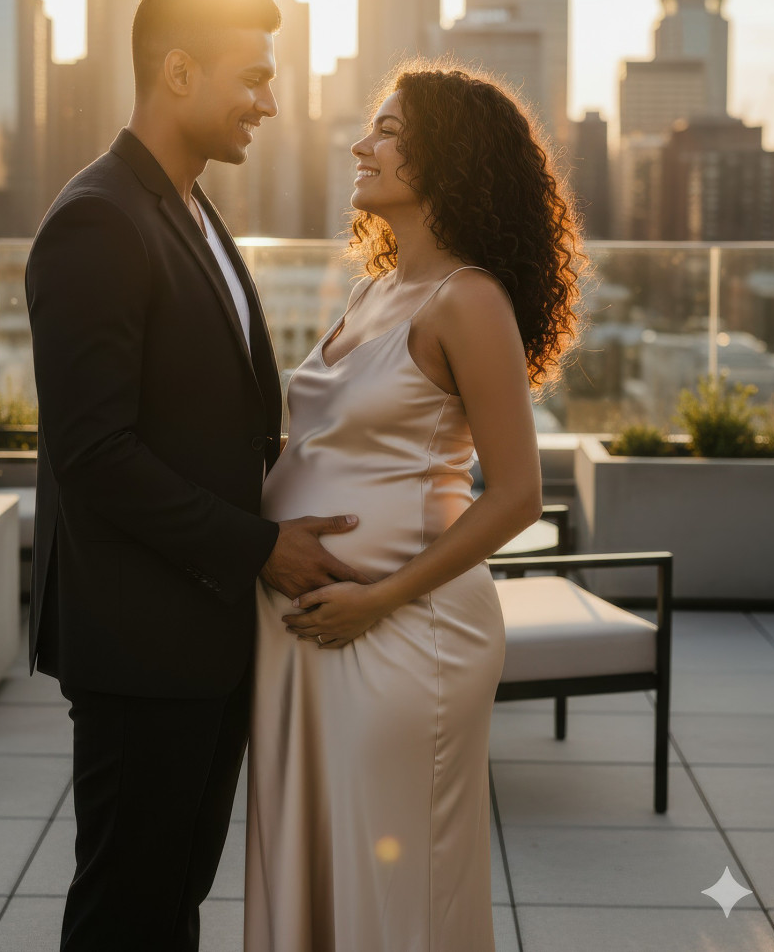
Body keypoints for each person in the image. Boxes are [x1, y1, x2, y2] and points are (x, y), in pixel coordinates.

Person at [24, 0, 365, 952]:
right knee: (126, 910)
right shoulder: (99, 219)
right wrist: (260, 548)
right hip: (142, 647)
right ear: (177, 72)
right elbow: (95, 453)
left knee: (169, 903)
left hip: (200, 639)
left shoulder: (188, 208)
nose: (269, 102)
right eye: (252, 78)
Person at [245, 63, 584, 952]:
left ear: (450, 156)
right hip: (314, 626)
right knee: (325, 867)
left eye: (388, 131)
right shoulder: (371, 290)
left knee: (400, 888)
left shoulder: (467, 300)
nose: (363, 144)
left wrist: (378, 598)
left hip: (406, 632)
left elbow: (516, 496)